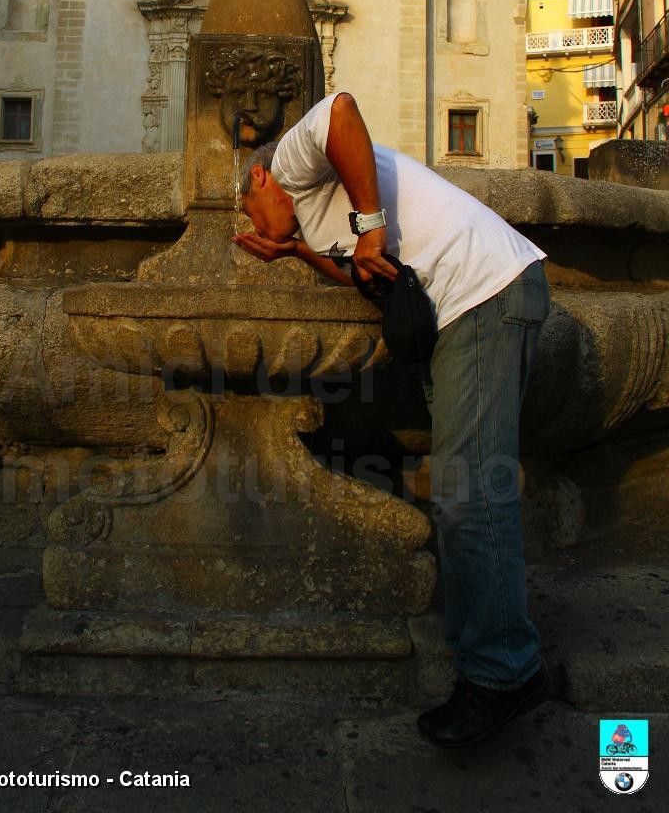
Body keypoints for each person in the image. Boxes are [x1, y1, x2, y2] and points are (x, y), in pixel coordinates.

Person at [234, 91, 551, 749]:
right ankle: (487, 655)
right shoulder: (314, 218)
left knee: (471, 493)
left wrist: (372, 219)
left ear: (259, 178)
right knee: (463, 488)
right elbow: (363, 273)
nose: (257, 228)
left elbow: (343, 109)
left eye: (250, 213)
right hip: (463, 310)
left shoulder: (291, 164)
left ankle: (504, 675)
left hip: (485, 291)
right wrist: (293, 253)